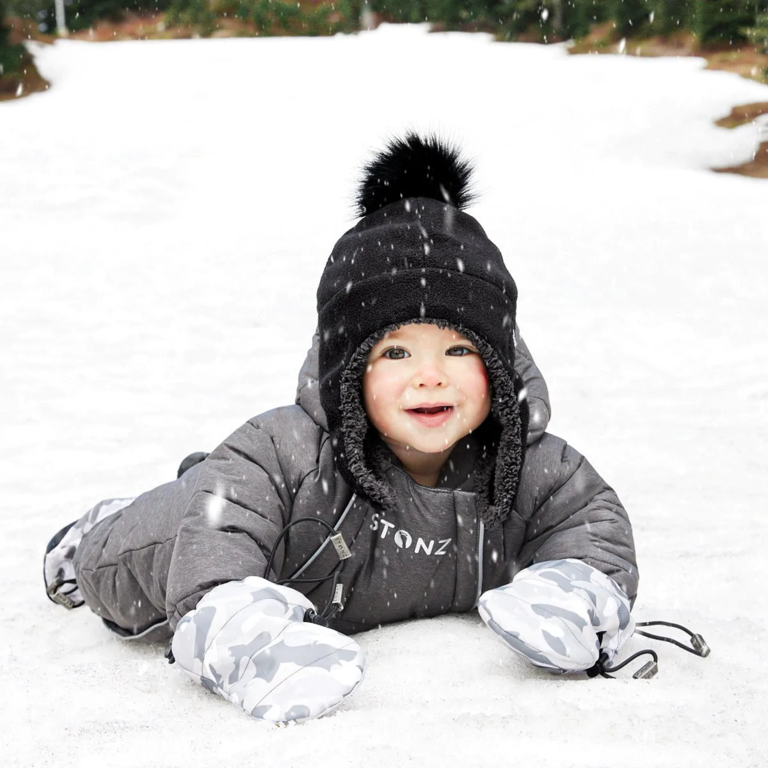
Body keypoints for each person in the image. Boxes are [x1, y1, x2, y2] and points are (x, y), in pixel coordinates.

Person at [44, 134, 637, 724]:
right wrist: (238, 626)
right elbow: (213, 545)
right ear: (348, 372)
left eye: (459, 350)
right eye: (397, 354)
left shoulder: (534, 468)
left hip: (258, 519)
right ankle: (90, 533)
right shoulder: (280, 455)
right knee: (138, 545)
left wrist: (575, 589)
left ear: (501, 368)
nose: (430, 378)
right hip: (182, 536)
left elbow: (590, 524)